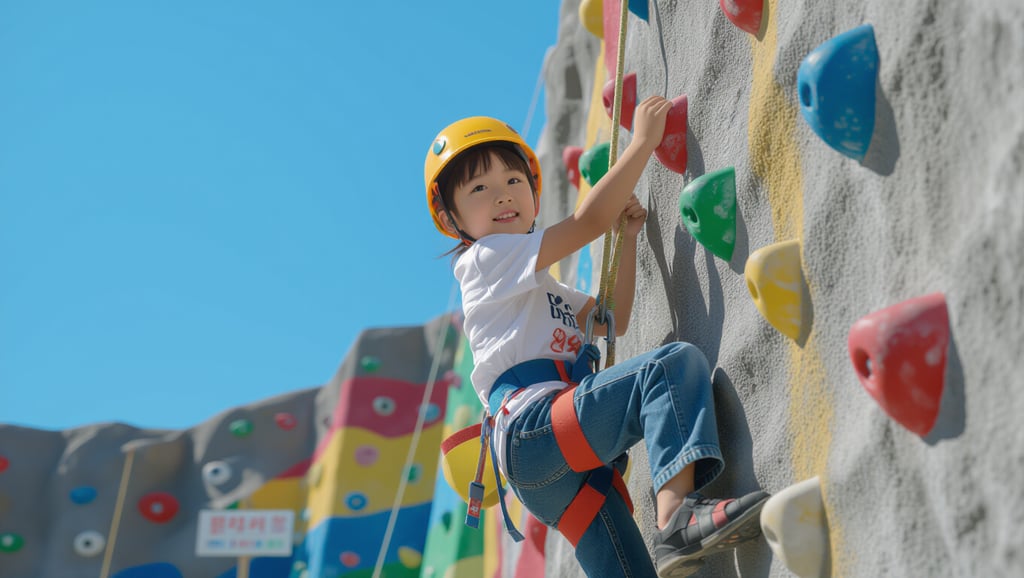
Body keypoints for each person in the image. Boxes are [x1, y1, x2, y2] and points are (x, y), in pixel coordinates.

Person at [424, 95, 769, 578]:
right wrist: (644, 142)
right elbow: (587, 223)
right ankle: (675, 516)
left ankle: (674, 529)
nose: (502, 194)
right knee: (669, 369)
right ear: (452, 219)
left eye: (513, 180)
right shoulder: (483, 261)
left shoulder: (539, 289)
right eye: (479, 188)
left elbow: (612, 320)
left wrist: (626, 242)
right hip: (536, 428)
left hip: (546, 465)